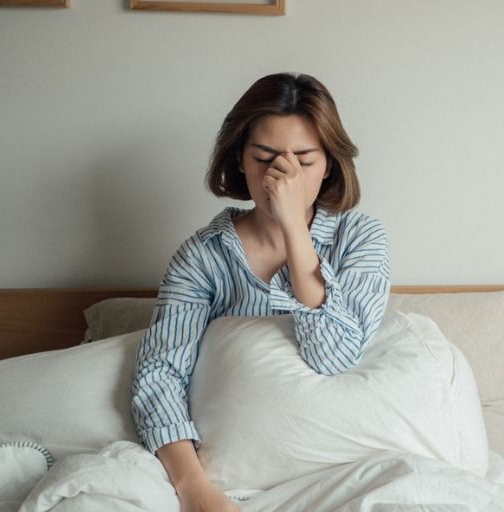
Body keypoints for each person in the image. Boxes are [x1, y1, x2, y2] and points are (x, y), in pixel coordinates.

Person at [130, 72, 391, 512]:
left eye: (303, 160)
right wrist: (195, 487)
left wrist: (293, 227)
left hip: (338, 476)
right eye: (265, 158)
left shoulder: (360, 239)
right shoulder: (204, 257)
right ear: (240, 162)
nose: (281, 176)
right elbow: (159, 376)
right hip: (228, 479)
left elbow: (334, 356)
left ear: (329, 163)